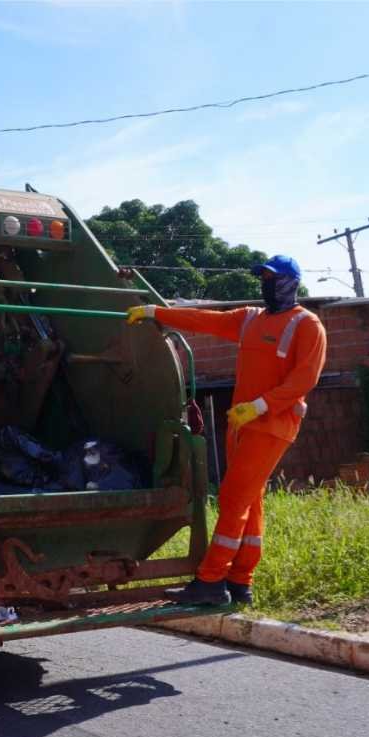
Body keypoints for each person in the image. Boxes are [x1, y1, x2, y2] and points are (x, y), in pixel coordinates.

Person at [126, 255, 326, 606]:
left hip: (272, 425)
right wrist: (157, 313)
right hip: (241, 425)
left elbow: (304, 380)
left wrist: (261, 405)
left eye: (272, 278)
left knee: (234, 499)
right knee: (250, 501)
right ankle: (240, 581)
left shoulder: (307, 325)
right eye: (262, 278)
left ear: (290, 283)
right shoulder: (250, 319)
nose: (265, 283)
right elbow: (204, 319)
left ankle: (211, 581)